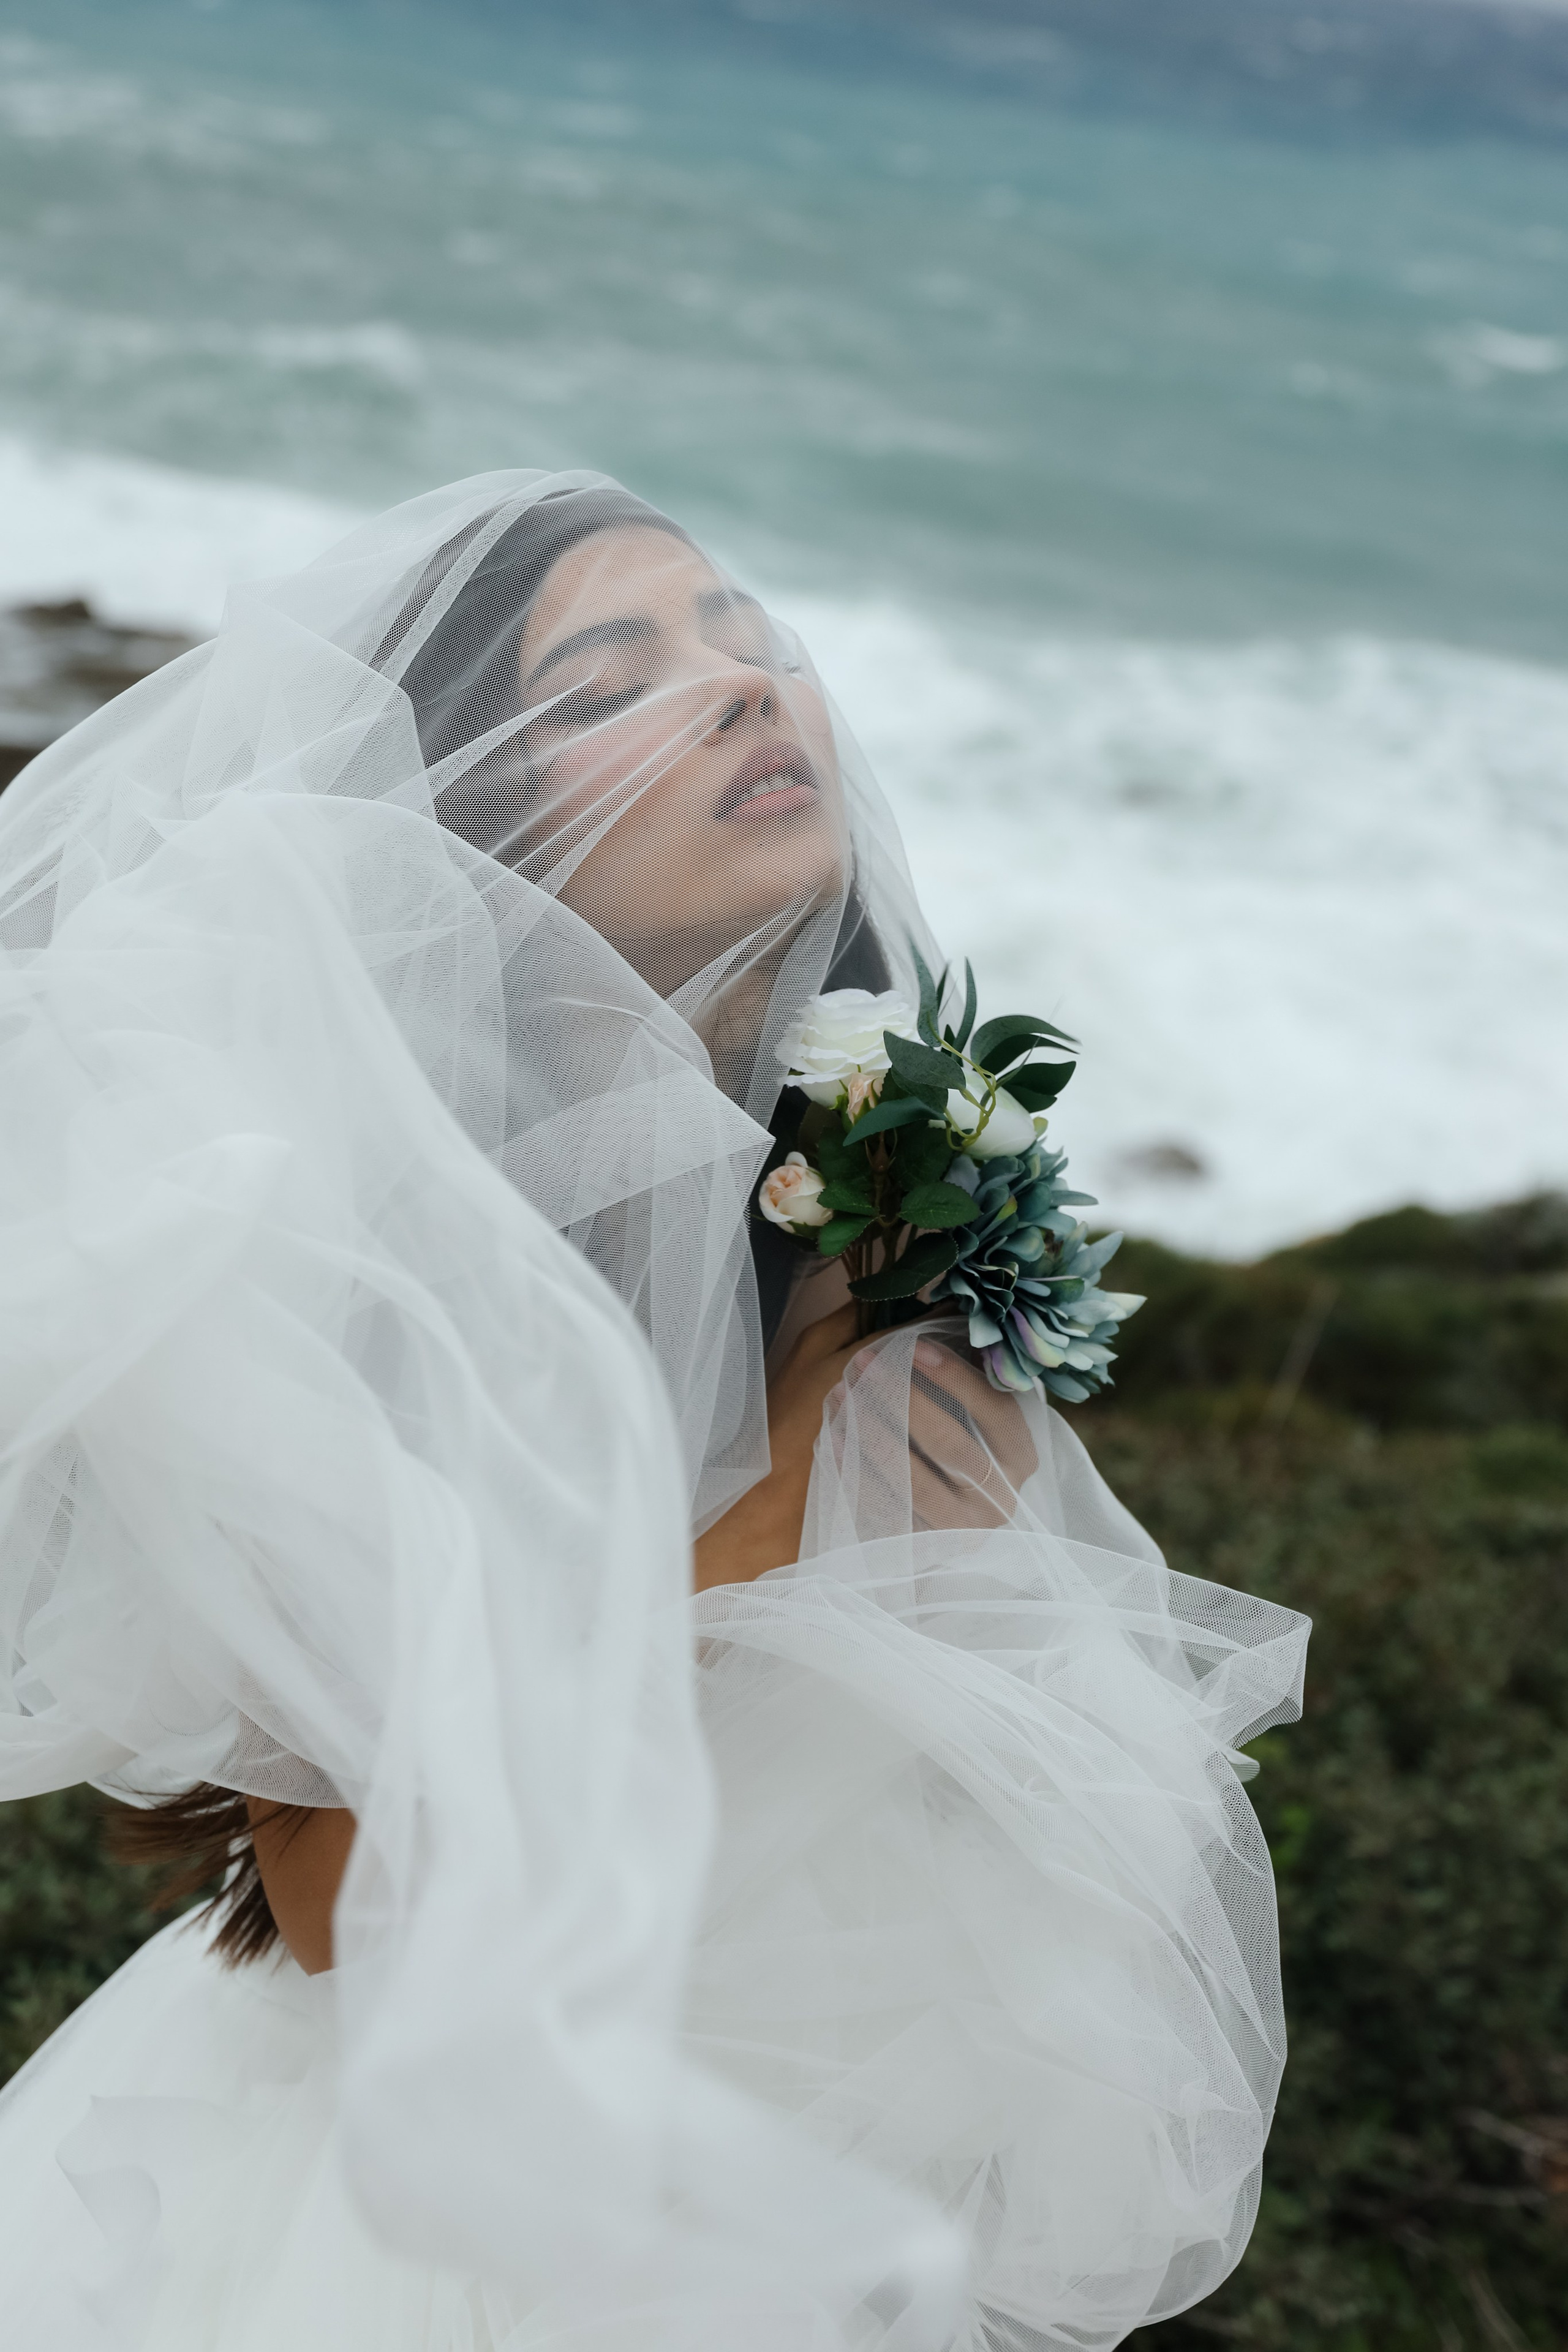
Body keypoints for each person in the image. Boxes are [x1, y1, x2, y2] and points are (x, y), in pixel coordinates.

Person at [0, 472, 1308, 2352]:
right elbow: (331, 1898)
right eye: (616, 682)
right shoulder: (383, 1245)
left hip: (845, 2114)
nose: (745, 686)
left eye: (751, 639)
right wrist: (771, 1533)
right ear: (474, 824)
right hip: (456, 2210)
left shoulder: (860, 1174)